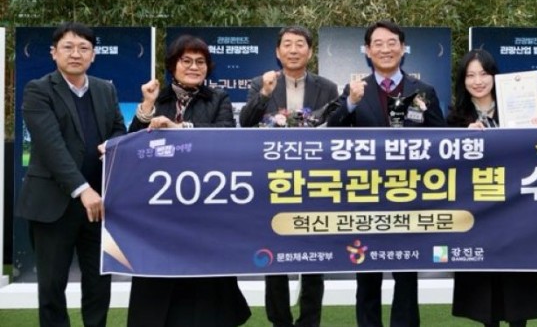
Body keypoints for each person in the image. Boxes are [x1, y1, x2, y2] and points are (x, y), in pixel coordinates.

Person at [327, 19, 446, 327]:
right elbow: (331, 134)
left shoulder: (424, 91)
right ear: (367, 51)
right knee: (367, 275)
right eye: (377, 44)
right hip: (366, 197)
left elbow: (442, 141)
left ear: (403, 48)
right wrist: (350, 103)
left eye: (392, 43)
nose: (385, 49)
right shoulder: (355, 90)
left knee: (406, 275)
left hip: (410, 195)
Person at [126, 34, 251, 327]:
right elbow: (131, 145)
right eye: (186, 61)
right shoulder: (158, 97)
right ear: (173, 65)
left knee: (206, 286)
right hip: (159, 209)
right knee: (158, 284)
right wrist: (146, 107)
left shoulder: (218, 98)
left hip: (205, 206)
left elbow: (225, 133)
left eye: (200, 62)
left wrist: (179, 128)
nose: (194, 67)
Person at [17, 22, 127, 327]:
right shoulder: (38, 90)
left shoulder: (105, 89)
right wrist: (82, 189)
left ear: (93, 55)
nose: (75, 54)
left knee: (99, 285)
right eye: (68, 47)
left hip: (100, 205)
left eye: (83, 48)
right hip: (54, 204)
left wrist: (111, 144)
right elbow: (51, 146)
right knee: (52, 287)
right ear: (54, 53)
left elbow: (118, 128)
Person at [240, 26, 338, 327]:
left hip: (315, 182)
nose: (293, 50)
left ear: (310, 51)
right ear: (277, 51)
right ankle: (279, 320)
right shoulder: (261, 83)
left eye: (300, 44)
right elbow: (245, 124)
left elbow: (337, 130)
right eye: (287, 44)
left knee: (315, 258)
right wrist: (265, 93)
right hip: (275, 181)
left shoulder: (327, 87)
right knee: (274, 255)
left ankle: (310, 320)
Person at [448, 49, 537, 327]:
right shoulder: (455, 118)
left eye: (484, 74)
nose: (478, 81)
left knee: (518, 285)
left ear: (495, 76)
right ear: (463, 80)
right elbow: (446, 164)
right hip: (478, 211)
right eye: (470, 75)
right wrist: (462, 139)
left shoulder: (519, 108)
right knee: (484, 290)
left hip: (517, 208)